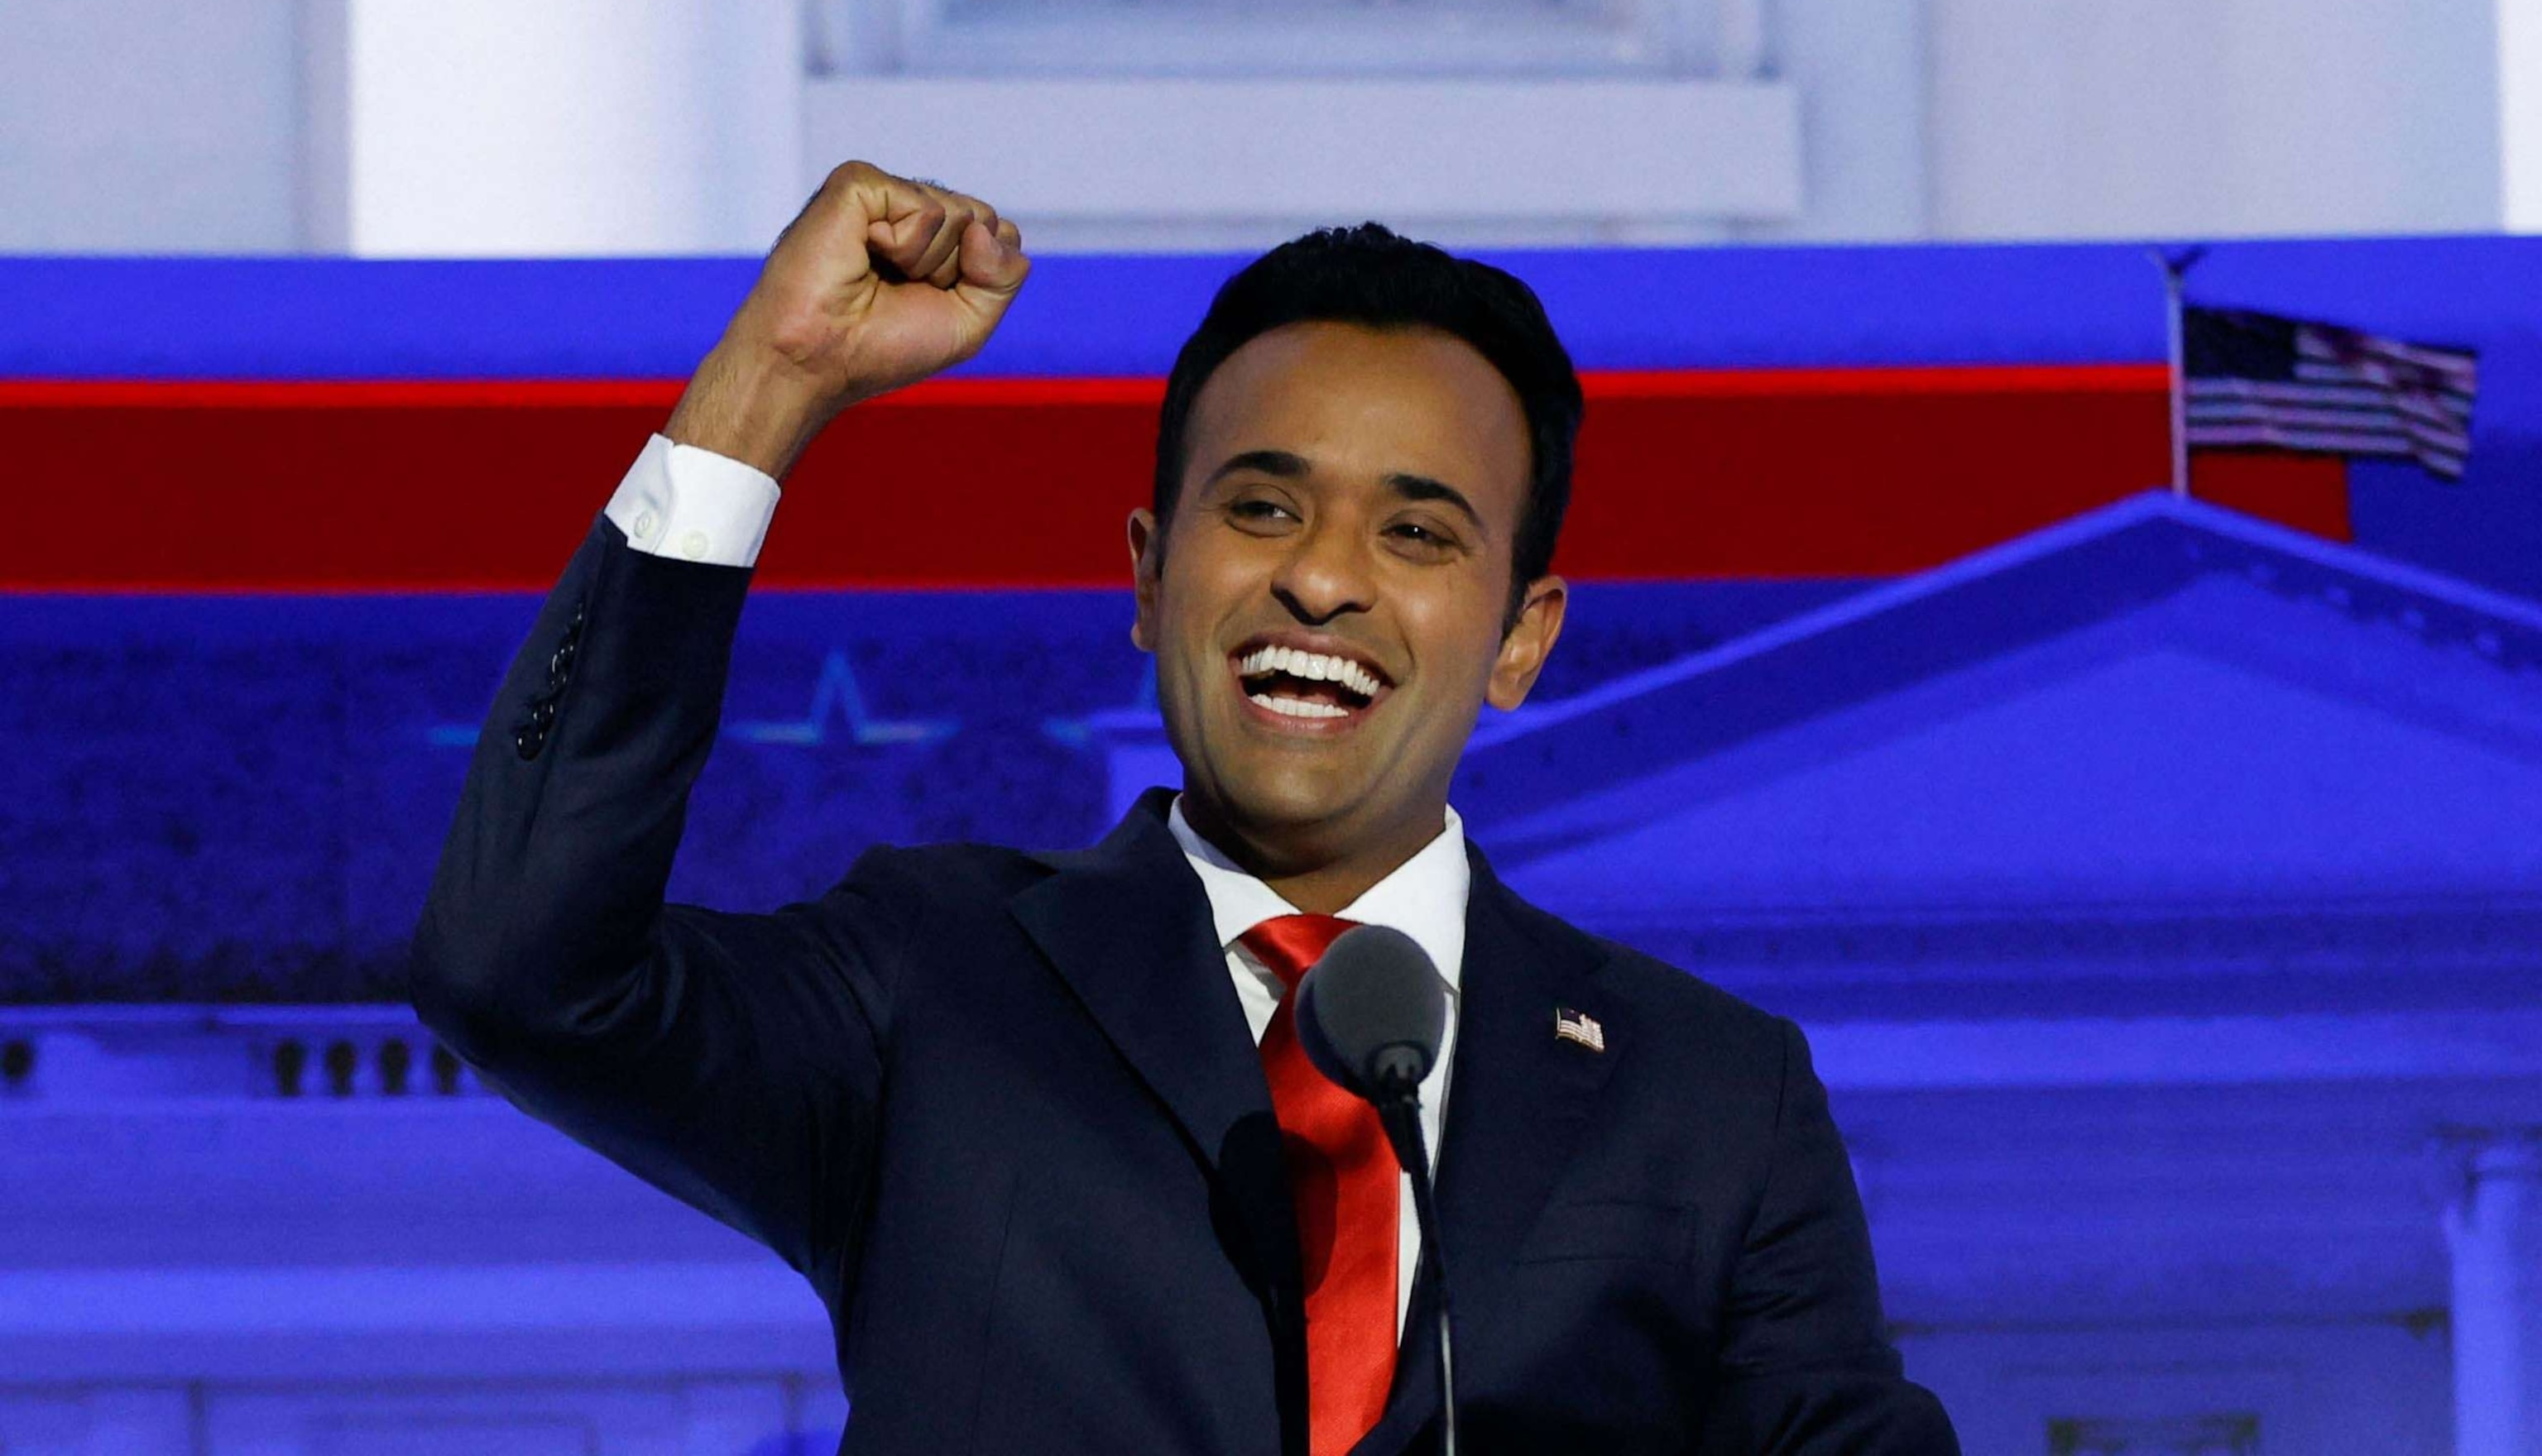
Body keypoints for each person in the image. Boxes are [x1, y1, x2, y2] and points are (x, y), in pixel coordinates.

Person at [410, 160, 1959, 1455]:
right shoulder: (934, 987)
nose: (1322, 576)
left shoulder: (1706, 1097)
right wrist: (772, 380)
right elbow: (523, 972)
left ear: (1523, 638)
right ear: (1149, 575)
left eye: (1417, 531)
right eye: (1263, 507)